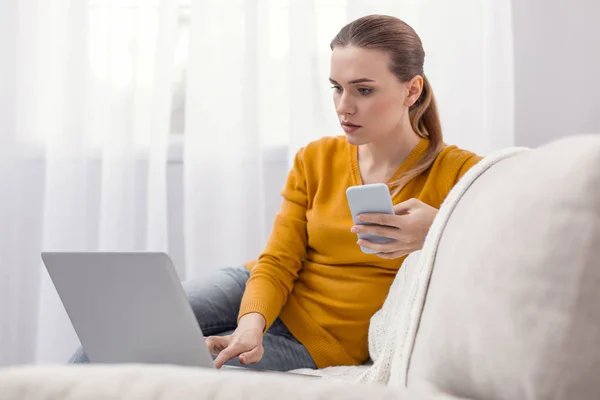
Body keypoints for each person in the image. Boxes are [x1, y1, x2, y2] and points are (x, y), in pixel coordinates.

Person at [70, 14, 482, 371]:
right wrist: (251, 324)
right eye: (337, 87)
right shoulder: (315, 158)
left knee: (205, 378)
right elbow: (279, 259)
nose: (344, 106)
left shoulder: (462, 173)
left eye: (364, 89)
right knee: (105, 337)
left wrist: (442, 231)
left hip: (322, 336)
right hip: (259, 288)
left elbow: (514, 252)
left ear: (411, 91)